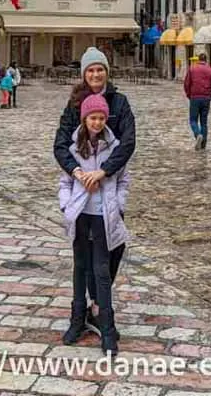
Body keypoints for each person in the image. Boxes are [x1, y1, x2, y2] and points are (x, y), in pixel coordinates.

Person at [54, 46, 135, 337]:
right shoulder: (75, 105)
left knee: (114, 250)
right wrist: (77, 174)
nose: (96, 74)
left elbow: (127, 143)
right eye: (90, 70)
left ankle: (97, 304)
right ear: (84, 74)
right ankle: (94, 311)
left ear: (106, 72)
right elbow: (61, 145)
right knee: (86, 259)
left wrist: (104, 172)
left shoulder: (119, 103)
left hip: (109, 193)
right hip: (81, 197)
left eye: (100, 69)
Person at [59, 94, 129, 355]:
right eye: (92, 118)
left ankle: (107, 328)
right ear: (84, 119)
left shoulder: (115, 146)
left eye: (101, 118)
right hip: (80, 213)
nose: (97, 122)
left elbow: (124, 179)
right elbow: (64, 181)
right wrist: (66, 205)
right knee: (79, 267)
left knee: (101, 269)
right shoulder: (74, 147)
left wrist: (119, 204)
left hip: (104, 215)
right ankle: (77, 319)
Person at [184, 52, 211, 150]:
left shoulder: (192, 69)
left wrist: (189, 94)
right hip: (206, 98)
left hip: (194, 97)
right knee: (204, 122)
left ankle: (198, 134)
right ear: (206, 60)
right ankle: (203, 144)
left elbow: (187, 83)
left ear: (198, 59)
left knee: (193, 120)